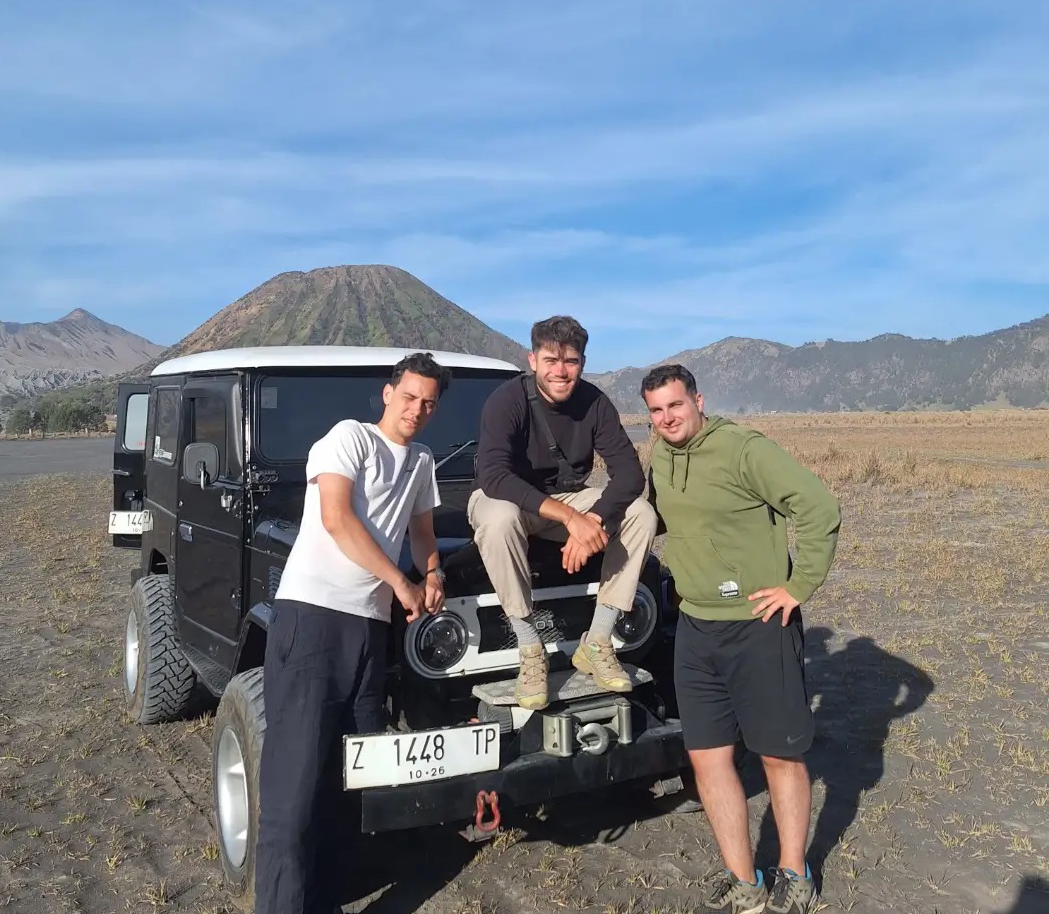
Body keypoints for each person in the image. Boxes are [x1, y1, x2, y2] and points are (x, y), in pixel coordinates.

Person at [254, 352, 451, 914]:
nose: (416, 410)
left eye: (428, 403)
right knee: (294, 790)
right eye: (409, 397)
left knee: (349, 781)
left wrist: (432, 573)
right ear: (388, 393)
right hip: (312, 617)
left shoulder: (421, 461)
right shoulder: (350, 439)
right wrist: (401, 583)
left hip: (368, 630)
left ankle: (327, 901)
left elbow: (422, 531)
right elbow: (337, 518)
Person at [641, 364, 840, 914]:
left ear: (698, 400)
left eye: (675, 405)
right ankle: (744, 881)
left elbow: (819, 506)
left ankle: (795, 874)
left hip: (757, 625)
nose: (667, 419)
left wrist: (798, 586)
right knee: (708, 759)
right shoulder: (661, 457)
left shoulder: (743, 450)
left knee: (778, 755)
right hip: (695, 628)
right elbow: (658, 518)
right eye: (655, 411)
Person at [469, 315, 658, 709]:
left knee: (641, 514)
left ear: (582, 363)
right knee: (499, 518)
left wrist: (593, 518)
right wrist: (572, 519)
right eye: (551, 360)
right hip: (507, 499)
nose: (561, 371)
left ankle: (598, 640)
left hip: (568, 498)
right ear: (532, 360)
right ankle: (529, 648)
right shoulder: (507, 401)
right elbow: (493, 475)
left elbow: (630, 474)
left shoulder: (595, 403)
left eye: (570, 361)